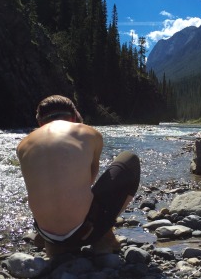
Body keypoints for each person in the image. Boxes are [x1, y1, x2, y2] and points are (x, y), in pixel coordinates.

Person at [16, 95, 140, 257]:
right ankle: (104, 236)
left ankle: (52, 242)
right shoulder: (91, 133)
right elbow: (88, 181)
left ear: (39, 122)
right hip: (85, 232)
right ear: (74, 116)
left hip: (48, 234)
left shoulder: (23, 145)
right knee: (129, 159)